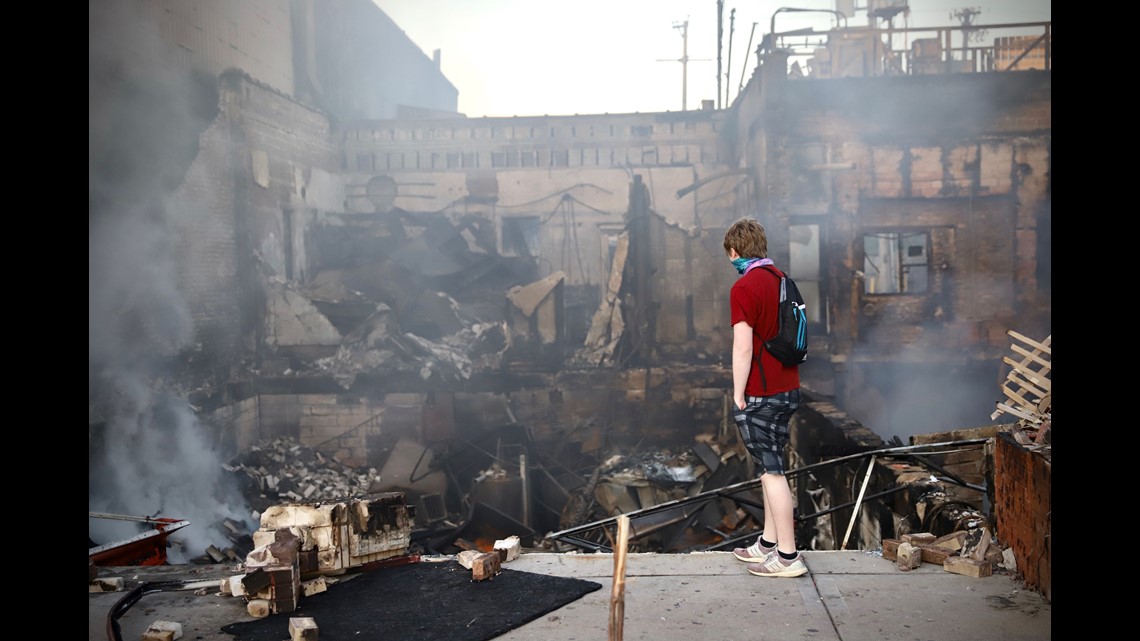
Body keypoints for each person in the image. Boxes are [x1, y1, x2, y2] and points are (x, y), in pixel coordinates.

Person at [722, 217, 807, 578]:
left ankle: (788, 557)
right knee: (770, 468)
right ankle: (768, 545)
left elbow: (743, 348)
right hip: (788, 389)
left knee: (771, 473)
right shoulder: (781, 279)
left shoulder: (744, 288)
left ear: (734, 250)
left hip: (761, 392)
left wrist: (738, 393)